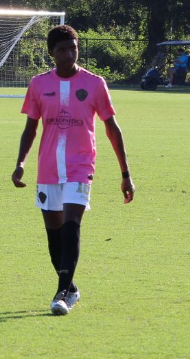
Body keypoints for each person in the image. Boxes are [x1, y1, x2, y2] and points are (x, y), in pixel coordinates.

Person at [11, 25, 135, 316]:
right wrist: (20, 163)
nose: (69, 54)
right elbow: (30, 128)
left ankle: (61, 295)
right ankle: (72, 288)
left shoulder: (95, 83)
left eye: (73, 48)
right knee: (54, 238)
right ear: (51, 53)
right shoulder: (39, 84)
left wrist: (126, 174)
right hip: (48, 169)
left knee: (71, 227)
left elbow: (112, 129)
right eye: (63, 50)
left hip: (80, 167)